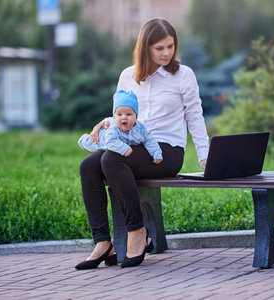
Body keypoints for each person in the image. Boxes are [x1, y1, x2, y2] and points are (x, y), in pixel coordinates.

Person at [76, 18, 209, 270]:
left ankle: (137, 232)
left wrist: (205, 156)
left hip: (166, 152)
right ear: (145, 47)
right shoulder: (128, 76)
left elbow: (194, 116)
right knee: (88, 166)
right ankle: (104, 241)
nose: (166, 53)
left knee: (110, 159)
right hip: (130, 146)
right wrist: (103, 123)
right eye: (159, 48)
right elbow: (121, 114)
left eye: (170, 46)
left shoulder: (183, 75)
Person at [78, 89, 163, 165]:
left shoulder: (140, 129)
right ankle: (83, 140)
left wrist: (156, 153)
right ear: (114, 117)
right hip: (103, 141)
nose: (124, 117)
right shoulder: (113, 129)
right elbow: (110, 141)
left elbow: (149, 140)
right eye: (119, 114)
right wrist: (124, 149)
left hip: (118, 142)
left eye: (129, 114)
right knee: (91, 143)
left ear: (136, 117)